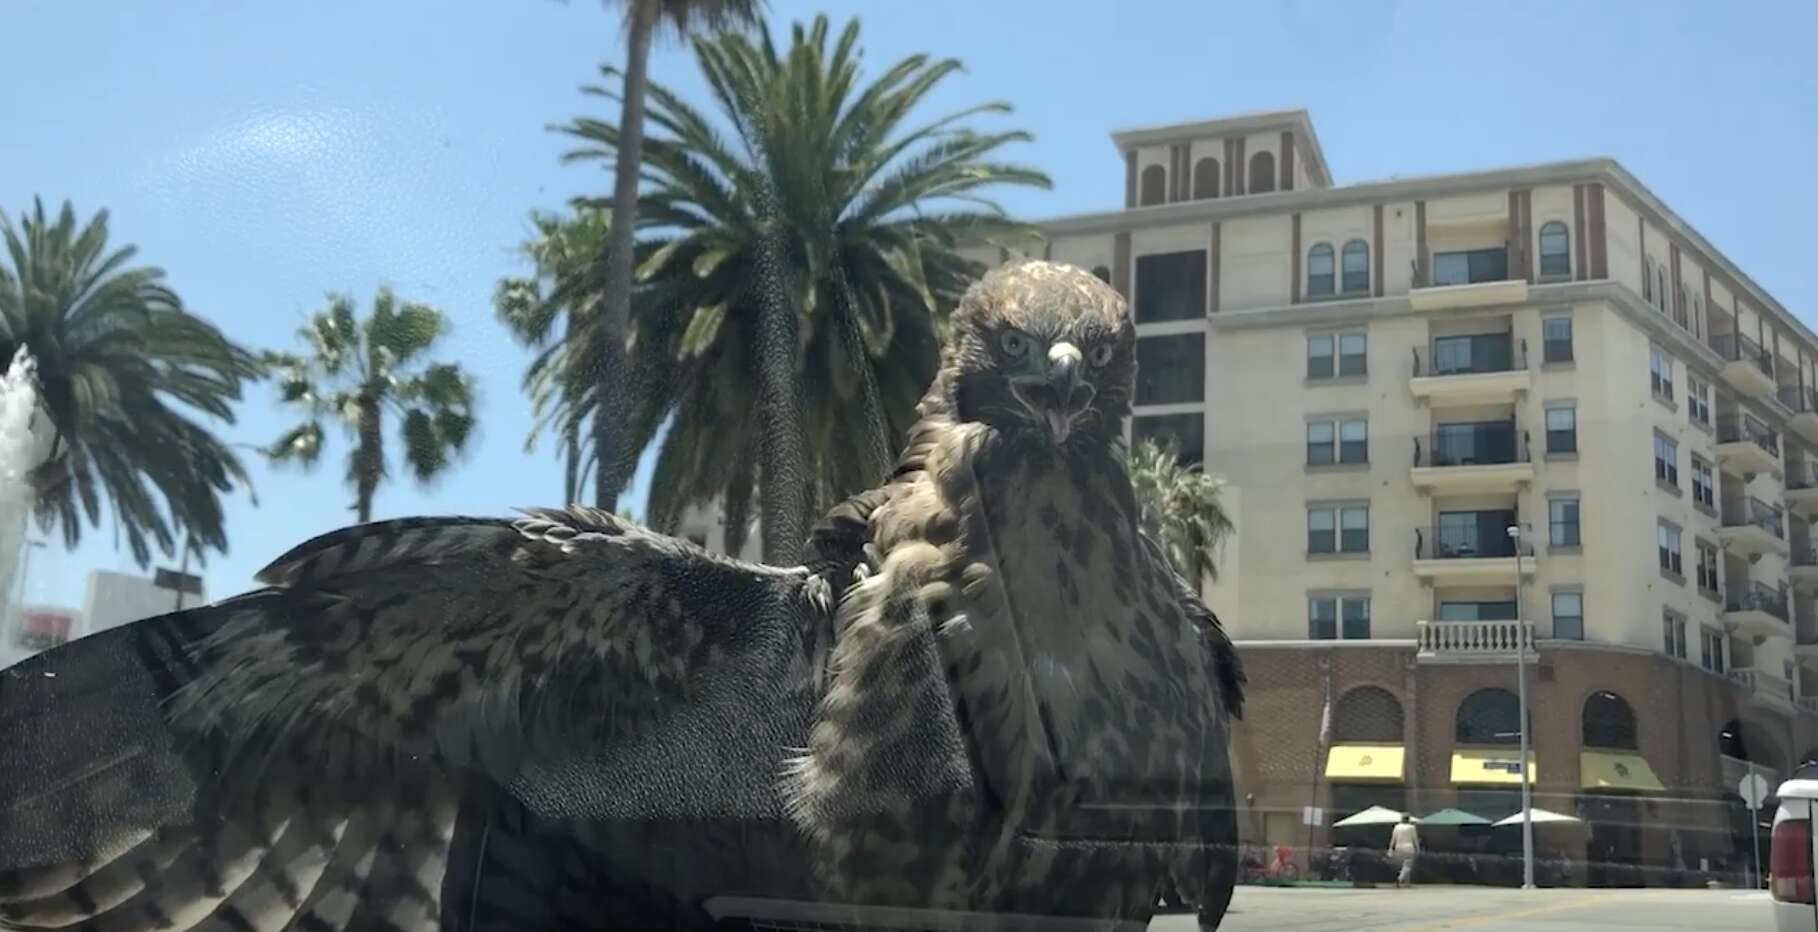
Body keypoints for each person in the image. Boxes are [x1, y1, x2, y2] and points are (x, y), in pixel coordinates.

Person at [1388, 814, 1421, 888]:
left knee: (1404, 866)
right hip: (1409, 847)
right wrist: (1418, 848)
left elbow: (1393, 838)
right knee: (1408, 865)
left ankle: (1407, 883)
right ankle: (1400, 879)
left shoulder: (1397, 827)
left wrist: (1391, 848)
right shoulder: (1411, 827)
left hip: (1398, 847)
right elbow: (1414, 838)